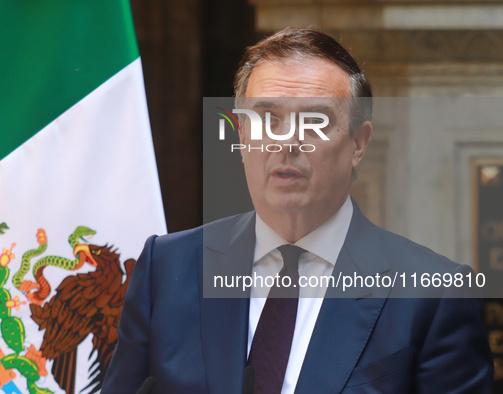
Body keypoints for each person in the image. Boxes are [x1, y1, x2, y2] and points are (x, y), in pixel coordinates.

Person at [101, 28, 493, 393]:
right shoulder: (168, 267)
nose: (286, 142)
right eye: (267, 118)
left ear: (358, 144)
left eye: (315, 121)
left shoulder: (434, 294)